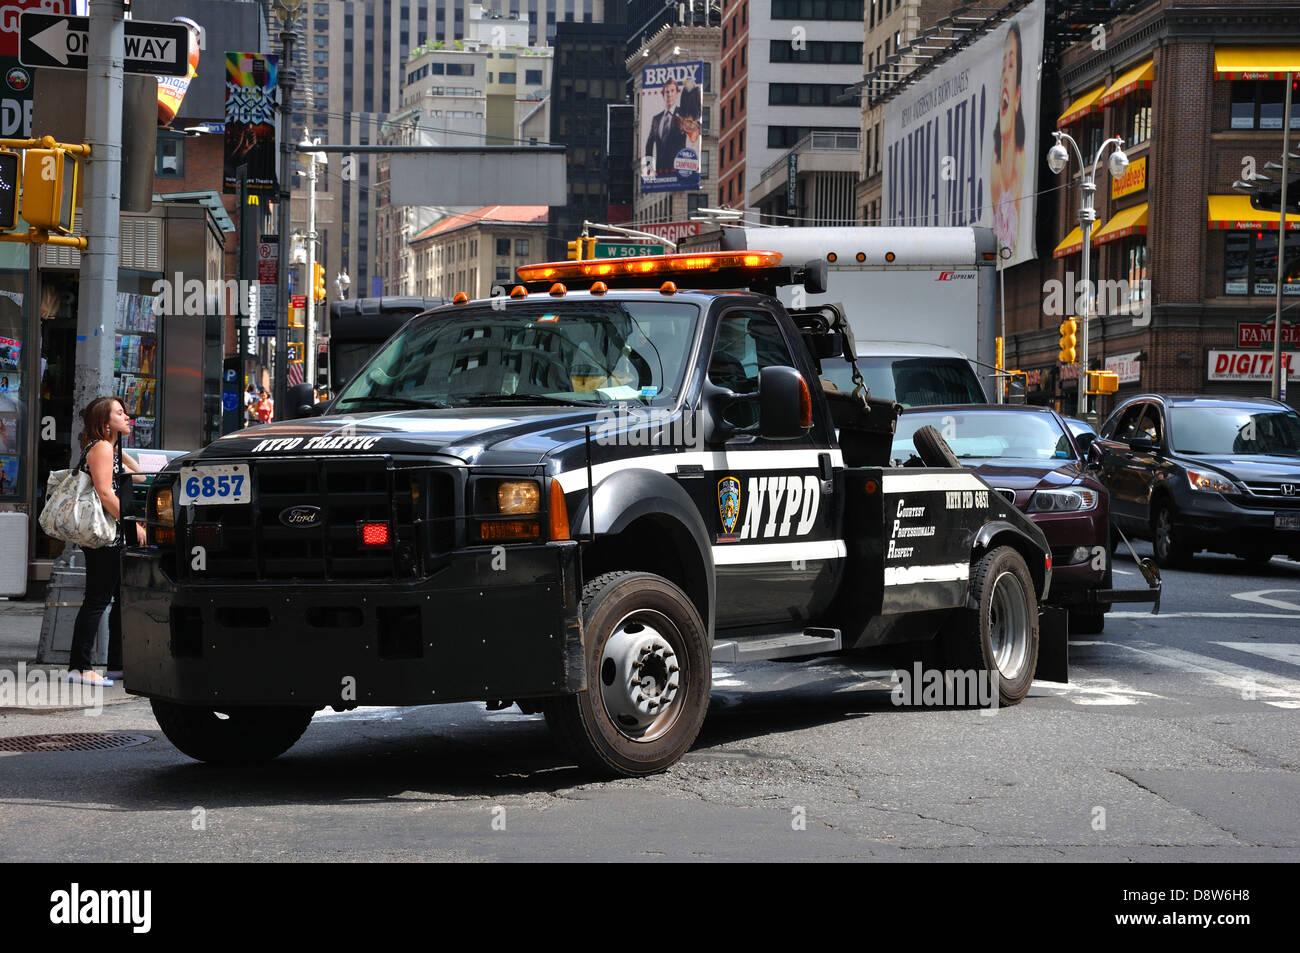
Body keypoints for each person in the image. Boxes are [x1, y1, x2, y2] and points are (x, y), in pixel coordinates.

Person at [66, 396, 146, 687]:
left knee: (119, 600)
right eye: (120, 413)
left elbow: (138, 477)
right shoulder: (100, 448)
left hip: (114, 537)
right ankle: (79, 667)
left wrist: (119, 447)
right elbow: (104, 493)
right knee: (97, 600)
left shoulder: (108, 448)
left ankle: (117, 665)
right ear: (104, 421)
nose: (127, 417)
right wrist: (132, 524)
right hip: (105, 538)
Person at [989, 21, 1027, 261]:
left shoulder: (1023, 167)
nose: (1004, 76)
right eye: (1002, 67)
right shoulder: (994, 166)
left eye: (1010, 65)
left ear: (1017, 95)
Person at [645, 78, 686, 176]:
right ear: (663, 94)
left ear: (677, 93)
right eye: (667, 91)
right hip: (660, 173)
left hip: (677, 172)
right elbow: (649, 146)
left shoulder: (683, 114)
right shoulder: (656, 119)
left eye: (672, 91)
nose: (669, 94)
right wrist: (650, 169)